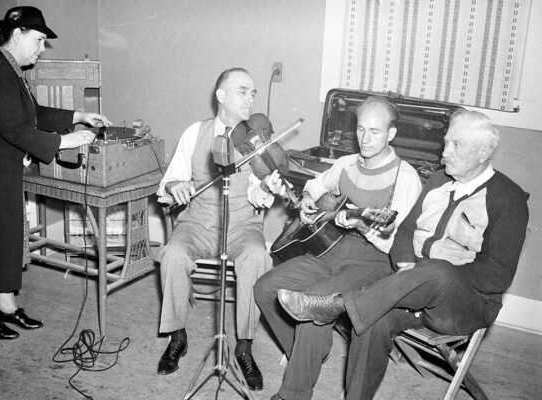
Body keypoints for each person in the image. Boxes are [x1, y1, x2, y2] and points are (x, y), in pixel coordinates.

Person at [278, 110, 529, 400]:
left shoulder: (508, 198)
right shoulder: (437, 181)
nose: (444, 152)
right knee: (372, 322)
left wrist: (425, 275)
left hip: (464, 303)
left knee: (438, 271)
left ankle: (339, 305)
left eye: (456, 145)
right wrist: (406, 266)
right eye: (445, 142)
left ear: (484, 152)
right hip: (410, 287)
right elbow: (406, 232)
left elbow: (498, 274)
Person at [0, 6, 112, 341]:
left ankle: (6, 306)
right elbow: (14, 129)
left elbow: (32, 113)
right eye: (38, 40)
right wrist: (65, 140)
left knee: (2, 240)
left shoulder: (10, 68)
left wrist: (79, 115)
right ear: (17, 35)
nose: (42, 47)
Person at [254, 96, 422, 400]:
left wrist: (362, 226)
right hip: (330, 248)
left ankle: (293, 392)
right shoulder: (345, 164)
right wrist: (307, 200)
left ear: (391, 134)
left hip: (373, 261)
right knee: (265, 287)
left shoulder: (405, 177)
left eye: (375, 131)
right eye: (360, 130)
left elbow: (394, 240)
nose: (365, 139)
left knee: (311, 302)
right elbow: (315, 187)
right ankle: (310, 351)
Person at [155, 67, 284, 390]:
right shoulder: (195, 133)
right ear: (221, 96)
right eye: (243, 90)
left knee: (257, 256)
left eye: (253, 92)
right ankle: (177, 336)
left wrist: (267, 188)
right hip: (198, 222)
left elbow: (257, 195)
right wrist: (176, 188)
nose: (251, 98)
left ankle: (244, 345)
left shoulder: (254, 140)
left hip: (242, 223)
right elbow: (170, 180)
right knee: (172, 254)